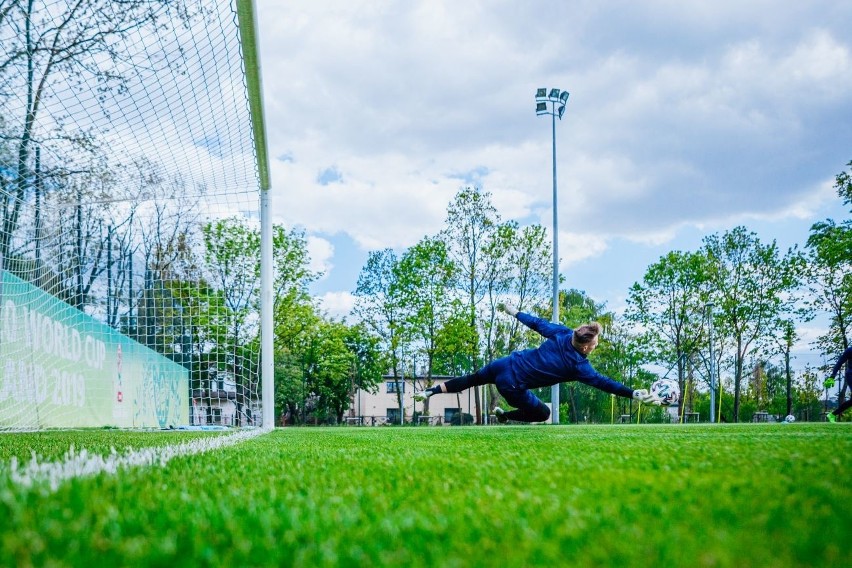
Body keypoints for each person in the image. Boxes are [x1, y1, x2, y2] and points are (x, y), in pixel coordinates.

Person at [414, 303, 661, 423]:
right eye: (596, 342)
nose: (597, 344)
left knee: (472, 380)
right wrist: (633, 393)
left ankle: (432, 391)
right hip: (510, 384)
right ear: (586, 346)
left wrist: (514, 312)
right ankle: (505, 415)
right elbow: (604, 383)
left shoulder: (563, 333)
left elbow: (537, 323)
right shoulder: (579, 366)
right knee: (542, 413)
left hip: (504, 363)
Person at [826, 346, 852, 423]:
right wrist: (832, 376)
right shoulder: (850, 350)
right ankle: (832, 414)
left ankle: (832, 414)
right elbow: (839, 362)